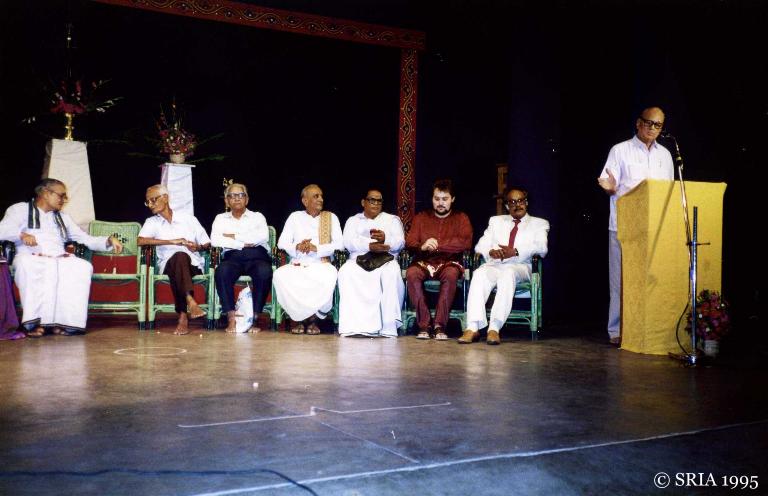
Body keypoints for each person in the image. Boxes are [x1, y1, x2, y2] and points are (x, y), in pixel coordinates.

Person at [0, 178, 123, 337]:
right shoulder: (19, 210)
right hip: (30, 256)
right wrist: (21, 235)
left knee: (82, 267)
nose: (64, 200)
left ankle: (65, 324)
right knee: (28, 265)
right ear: (45, 193)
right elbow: (2, 230)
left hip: (60, 257)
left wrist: (107, 240)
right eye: (61, 195)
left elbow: (83, 238)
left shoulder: (63, 217)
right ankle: (35, 323)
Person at [598, 106, 674, 345]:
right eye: (648, 123)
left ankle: (648, 329)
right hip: (624, 226)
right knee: (620, 281)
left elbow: (669, 190)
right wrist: (609, 187)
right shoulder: (620, 150)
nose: (652, 128)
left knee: (651, 281)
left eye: (658, 125)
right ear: (638, 123)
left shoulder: (666, 155)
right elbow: (608, 181)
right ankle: (616, 330)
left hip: (655, 229)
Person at [459, 187, 549, 345]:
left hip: (521, 266)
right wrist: (491, 252)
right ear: (507, 206)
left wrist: (515, 251)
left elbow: (542, 248)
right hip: (496, 264)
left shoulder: (539, 224)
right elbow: (480, 246)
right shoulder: (496, 221)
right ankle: (472, 327)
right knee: (479, 274)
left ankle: (494, 328)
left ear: (526, 203)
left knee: (508, 273)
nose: (517, 205)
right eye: (512, 202)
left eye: (520, 201)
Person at [138, 184, 211, 335]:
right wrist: (172, 241)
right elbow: (140, 241)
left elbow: (207, 244)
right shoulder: (152, 222)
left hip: (193, 265)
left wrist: (197, 247)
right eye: (147, 202)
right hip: (167, 265)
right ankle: (188, 305)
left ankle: (184, 315)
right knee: (178, 257)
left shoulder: (188, 219)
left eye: (153, 200)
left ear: (165, 198)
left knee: (181, 257)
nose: (150, 205)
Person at [405, 178, 473, 340]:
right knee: (411, 273)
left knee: (450, 274)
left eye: (445, 199)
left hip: (450, 262)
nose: (440, 203)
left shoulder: (461, 218)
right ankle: (424, 325)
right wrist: (422, 246)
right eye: (437, 199)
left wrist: (438, 245)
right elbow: (410, 241)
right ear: (432, 199)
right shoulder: (421, 218)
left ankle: (439, 325)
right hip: (424, 262)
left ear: (452, 199)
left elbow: (465, 242)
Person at [273, 184, 343, 335]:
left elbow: (339, 245)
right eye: (316, 196)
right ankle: (299, 318)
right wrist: (298, 246)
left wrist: (315, 248)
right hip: (298, 263)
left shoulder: (331, 217)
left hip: (321, 262)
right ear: (305, 201)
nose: (321, 199)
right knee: (280, 274)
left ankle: (313, 320)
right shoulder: (294, 217)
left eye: (321, 196)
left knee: (329, 274)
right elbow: (282, 243)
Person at [338, 189, 405, 337]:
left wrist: (385, 240)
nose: (376, 203)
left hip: (385, 259)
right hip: (358, 260)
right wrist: (368, 245)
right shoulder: (353, 220)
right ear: (363, 202)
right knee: (345, 271)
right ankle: (353, 327)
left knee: (391, 272)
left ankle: (387, 327)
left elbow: (400, 243)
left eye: (379, 201)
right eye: (372, 200)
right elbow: (347, 242)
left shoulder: (392, 220)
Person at [211, 183, 272, 333]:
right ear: (226, 201)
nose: (237, 198)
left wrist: (233, 237)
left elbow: (262, 237)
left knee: (264, 272)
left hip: (257, 256)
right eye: (232, 196)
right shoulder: (220, 218)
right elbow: (215, 240)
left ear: (247, 199)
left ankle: (254, 319)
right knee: (222, 272)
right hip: (232, 257)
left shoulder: (257, 217)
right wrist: (243, 243)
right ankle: (231, 318)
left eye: (240, 195)